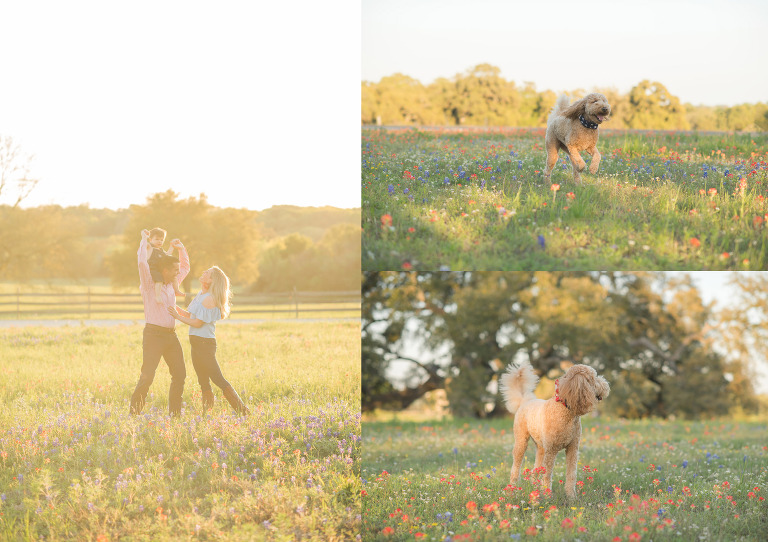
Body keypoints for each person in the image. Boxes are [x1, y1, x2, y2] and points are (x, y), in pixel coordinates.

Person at [168, 266, 250, 416]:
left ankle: (243, 411)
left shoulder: (210, 299)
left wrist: (177, 316)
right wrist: (174, 308)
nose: (203, 272)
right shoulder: (201, 294)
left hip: (205, 344)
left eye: (207, 273)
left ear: (211, 280)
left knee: (218, 379)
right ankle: (207, 415)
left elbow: (198, 323)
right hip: (196, 343)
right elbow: (191, 315)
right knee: (203, 381)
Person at [130, 229, 189, 417]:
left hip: (171, 336)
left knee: (180, 375)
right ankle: (133, 414)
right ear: (164, 270)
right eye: (174, 271)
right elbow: (141, 262)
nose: (177, 274)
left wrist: (181, 249)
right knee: (147, 377)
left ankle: (175, 416)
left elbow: (185, 268)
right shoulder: (148, 284)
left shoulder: (172, 283)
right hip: (153, 335)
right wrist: (143, 241)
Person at [146, 227, 184, 303]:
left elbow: (167, 255)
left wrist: (172, 246)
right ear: (150, 240)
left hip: (162, 270)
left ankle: (177, 290)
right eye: (156, 239)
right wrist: (145, 237)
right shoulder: (150, 249)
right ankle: (158, 296)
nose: (159, 241)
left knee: (174, 277)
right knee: (159, 281)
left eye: (161, 240)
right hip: (154, 270)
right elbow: (145, 245)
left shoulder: (161, 250)